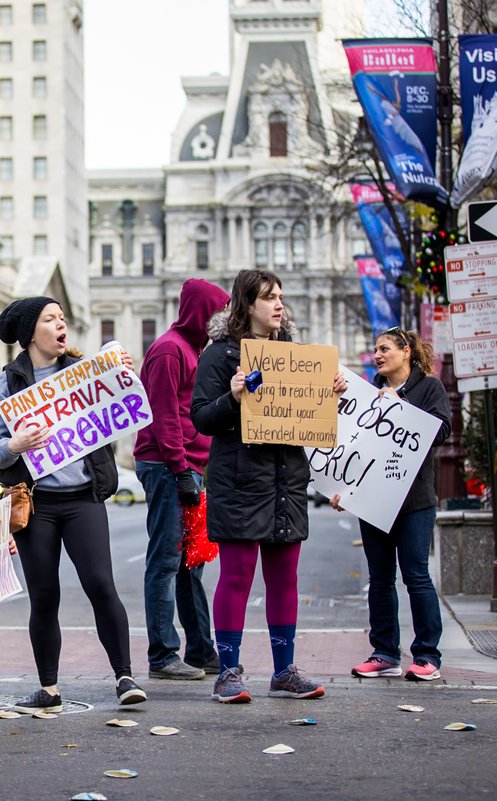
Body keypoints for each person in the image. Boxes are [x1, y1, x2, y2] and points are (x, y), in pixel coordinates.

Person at [0, 296, 147, 712]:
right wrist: (14, 445)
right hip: (36, 504)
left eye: (62, 318)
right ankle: (49, 688)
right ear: (30, 333)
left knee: (101, 584)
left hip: (83, 500)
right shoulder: (7, 383)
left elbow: (123, 397)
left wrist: (122, 372)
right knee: (44, 595)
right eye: (50, 319)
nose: (61, 325)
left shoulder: (81, 372)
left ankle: (125, 676)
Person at [191, 269, 346, 704]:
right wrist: (233, 396)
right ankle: (227, 672)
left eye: (280, 296)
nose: (279, 304)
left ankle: (284, 671)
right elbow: (201, 417)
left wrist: (329, 392)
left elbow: (311, 419)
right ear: (247, 305)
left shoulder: (294, 356)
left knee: (285, 579)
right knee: (237, 577)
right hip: (240, 481)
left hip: (285, 482)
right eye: (268, 297)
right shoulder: (219, 356)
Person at [338, 327, 450, 682]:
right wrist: (342, 485)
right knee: (380, 579)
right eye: (375, 350)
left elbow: (441, 431)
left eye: (385, 348)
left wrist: (400, 409)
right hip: (373, 499)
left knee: (416, 575)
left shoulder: (429, 388)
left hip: (414, 501)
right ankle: (385, 653)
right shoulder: (368, 393)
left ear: (406, 352)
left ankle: (427, 655)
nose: (378, 355)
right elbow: (351, 442)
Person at [134, 278, 230, 681]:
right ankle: (162, 655)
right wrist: (180, 469)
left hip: (185, 466)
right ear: (200, 312)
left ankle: (200, 650)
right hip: (167, 466)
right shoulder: (169, 350)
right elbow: (163, 416)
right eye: (218, 312)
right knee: (167, 560)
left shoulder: (192, 350)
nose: (223, 320)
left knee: (191, 564)